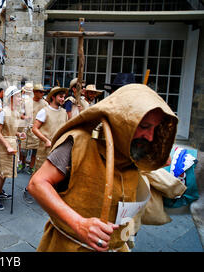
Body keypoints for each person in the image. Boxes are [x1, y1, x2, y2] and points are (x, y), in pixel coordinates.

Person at [28, 84, 178, 252]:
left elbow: (164, 160)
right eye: (144, 126)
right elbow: (37, 184)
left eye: (155, 128)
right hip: (69, 246)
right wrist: (79, 224)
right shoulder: (78, 142)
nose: (150, 137)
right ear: (123, 121)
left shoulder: (136, 148)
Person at [23, 86, 68, 203]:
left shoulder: (64, 113)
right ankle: (29, 190)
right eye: (60, 97)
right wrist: (45, 140)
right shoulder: (44, 111)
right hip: (45, 148)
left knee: (54, 172)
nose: (63, 99)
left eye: (64, 97)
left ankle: (47, 194)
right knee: (39, 170)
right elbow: (35, 129)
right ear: (53, 97)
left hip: (59, 148)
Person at [0, 86, 26, 210]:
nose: (20, 98)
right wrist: (7, 145)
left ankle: (0, 192)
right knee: (1, 173)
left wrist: (19, 134)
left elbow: (11, 130)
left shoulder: (16, 112)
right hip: (4, 146)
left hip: (12, 144)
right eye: (17, 96)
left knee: (6, 172)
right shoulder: (3, 112)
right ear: (11, 98)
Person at [19, 83, 49, 175]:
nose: (42, 94)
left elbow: (48, 116)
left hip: (37, 130)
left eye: (43, 92)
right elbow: (20, 114)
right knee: (23, 149)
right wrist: (25, 117)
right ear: (34, 92)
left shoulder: (45, 104)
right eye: (40, 92)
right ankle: (22, 164)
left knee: (35, 150)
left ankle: (31, 167)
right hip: (26, 129)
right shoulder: (26, 102)